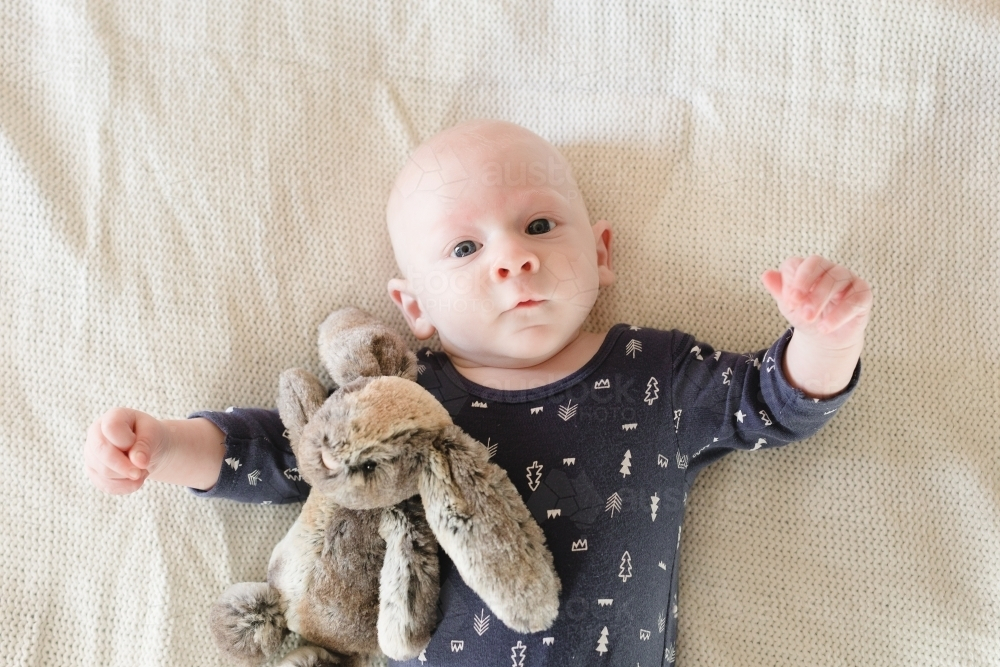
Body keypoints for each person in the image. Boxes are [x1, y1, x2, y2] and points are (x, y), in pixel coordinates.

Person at [84, 119, 871, 666]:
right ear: (415, 306)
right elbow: (288, 454)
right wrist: (165, 446)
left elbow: (774, 403)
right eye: (465, 246)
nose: (511, 260)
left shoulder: (651, 374)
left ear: (600, 253)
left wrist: (827, 334)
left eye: (538, 227)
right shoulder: (401, 400)